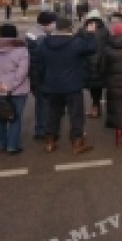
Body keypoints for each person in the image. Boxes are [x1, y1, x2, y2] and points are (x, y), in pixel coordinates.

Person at [36, 17, 97, 153]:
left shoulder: (44, 43)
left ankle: (50, 142)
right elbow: (92, 49)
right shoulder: (76, 43)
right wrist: (91, 34)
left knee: (52, 115)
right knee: (76, 115)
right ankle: (77, 143)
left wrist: (40, 82)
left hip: (51, 85)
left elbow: (39, 65)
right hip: (72, 85)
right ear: (70, 28)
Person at [0, 24, 30, 155]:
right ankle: (12, 146)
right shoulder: (22, 50)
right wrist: (9, 86)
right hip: (18, 90)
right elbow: (22, 72)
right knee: (15, 117)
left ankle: (1, 145)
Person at [25, 11, 56, 141]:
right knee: (44, 104)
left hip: (34, 74)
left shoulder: (32, 33)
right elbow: (46, 58)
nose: (55, 25)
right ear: (46, 24)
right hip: (41, 75)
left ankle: (41, 128)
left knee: (41, 103)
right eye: (53, 23)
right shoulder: (41, 38)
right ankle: (43, 130)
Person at [82, 10, 109, 119]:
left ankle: (95, 108)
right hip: (102, 62)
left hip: (88, 62)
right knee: (98, 86)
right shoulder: (105, 30)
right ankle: (96, 106)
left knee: (93, 87)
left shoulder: (85, 30)